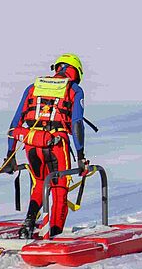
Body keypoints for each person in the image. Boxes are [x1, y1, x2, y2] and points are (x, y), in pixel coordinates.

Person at [6, 54, 87, 238]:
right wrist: (81, 156)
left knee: (40, 183)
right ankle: (55, 235)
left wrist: (10, 155)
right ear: (77, 72)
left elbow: (15, 122)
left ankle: (29, 222)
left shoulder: (33, 87)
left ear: (57, 68)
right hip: (56, 145)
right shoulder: (74, 90)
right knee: (59, 187)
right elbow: (76, 124)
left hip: (31, 142)